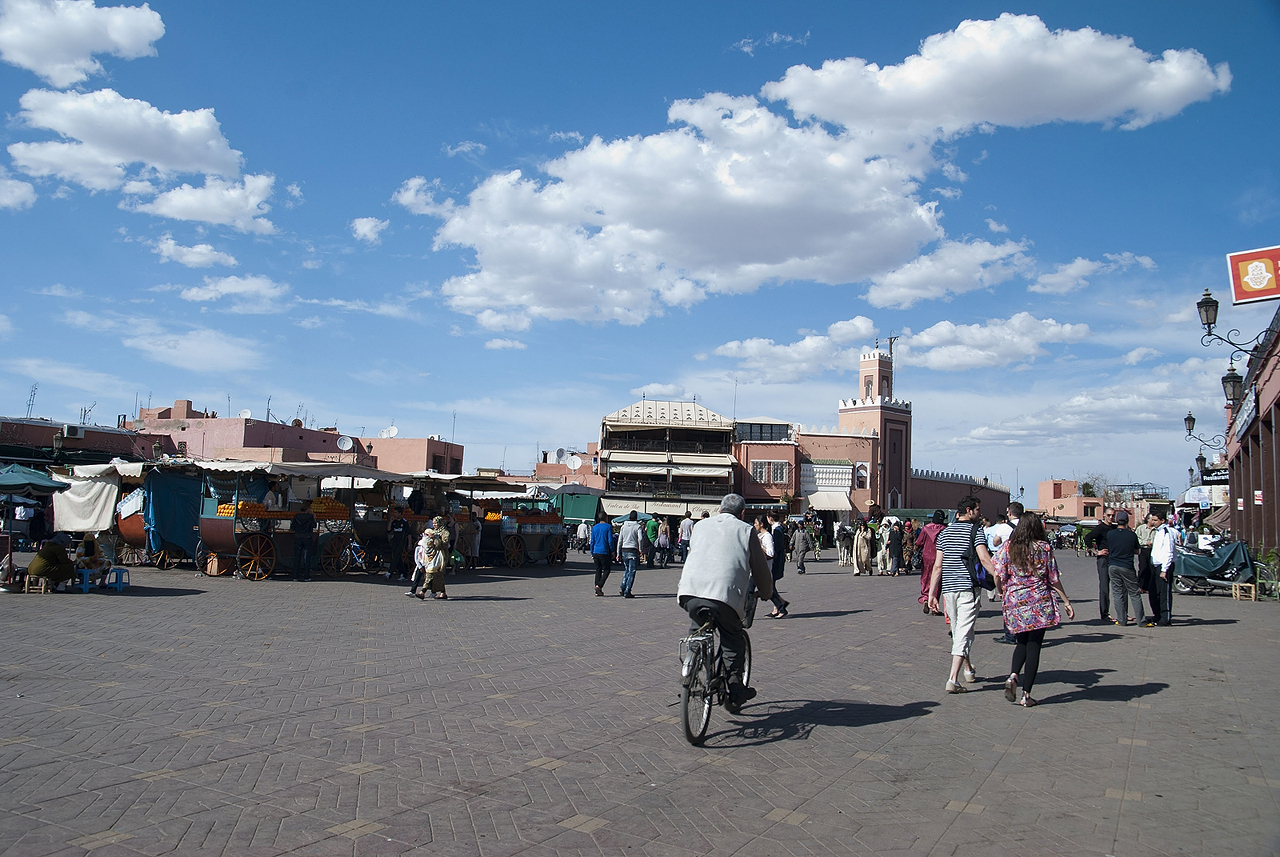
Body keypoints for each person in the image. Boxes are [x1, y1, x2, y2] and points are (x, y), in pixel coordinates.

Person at [676, 494, 774, 709]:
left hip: (689, 592)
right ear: (742, 514)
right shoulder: (746, 530)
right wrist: (766, 592)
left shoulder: (700, 526)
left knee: (697, 630)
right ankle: (736, 689)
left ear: (719, 510)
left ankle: (691, 671)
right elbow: (759, 568)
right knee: (732, 639)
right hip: (724, 597)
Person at [992, 513, 1075, 707]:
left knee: (1021, 641)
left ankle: (1013, 675)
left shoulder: (1008, 547)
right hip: (1039, 601)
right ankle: (1026, 694)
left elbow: (998, 574)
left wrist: (1001, 591)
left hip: (1016, 601)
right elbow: (1053, 578)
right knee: (1035, 645)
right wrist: (1066, 601)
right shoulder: (1044, 548)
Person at [928, 497, 996, 694]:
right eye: (977, 510)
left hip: (949, 589)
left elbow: (938, 566)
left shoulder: (945, 533)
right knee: (964, 632)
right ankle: (952, 679)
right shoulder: (976, 531)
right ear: (969, 510)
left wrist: (932, 594)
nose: (980, 513)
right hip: (968, 587)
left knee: (960, 631)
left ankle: (968, 669)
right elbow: (984, 558)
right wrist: (1000, 577)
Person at [1106, 510, 1144, 625]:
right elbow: (1137, 551)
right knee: (1134, 593)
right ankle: (1141, 621)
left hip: (1113, 565)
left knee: (1117, 593)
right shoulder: (1131, 535)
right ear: (1127, 521)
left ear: (1116, 520)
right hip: (1126, 565)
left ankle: (1121, 620)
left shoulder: (1110, 534)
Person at [1085, 509, 1117, 622]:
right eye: (1108, 515)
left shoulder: (1115, 528)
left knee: (1118, 586)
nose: (1111, 517)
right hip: (1103, 559)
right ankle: (1104, 613)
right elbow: (1087, 538)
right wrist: (1096, 551)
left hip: (1114, 559)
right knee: (1104, 586)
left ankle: (1122, 613)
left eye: (1113, 515)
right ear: (1104, 515)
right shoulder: (1101, 528)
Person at [413, 516, 450, 599]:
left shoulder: (445, 532)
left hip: (440, 556)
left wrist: (435, 539)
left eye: (436, 523)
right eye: (433, 523)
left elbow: (444, 544)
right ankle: (443, 593)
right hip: (432, 556)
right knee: (438, 574)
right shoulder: (433, 531)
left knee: (430, 572)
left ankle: (422, 592)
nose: (435, 525)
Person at [916, 510, 946, 612]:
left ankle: (925, 597)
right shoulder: (944, 530)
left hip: (926, 557)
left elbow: (919, 542)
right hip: (939, 557)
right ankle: (934, 604)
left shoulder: (926, 528)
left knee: (925, 578)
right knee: (937, 580)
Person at [1149, 515, 1177, 626]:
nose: (1153, 522)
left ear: (1162, 520)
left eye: (1155, 520)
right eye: (1152, 520)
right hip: (1156, 566)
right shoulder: (1158, 532)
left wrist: (1164, 569)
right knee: (1154, 592)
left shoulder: (1167, 532)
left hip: (1164, 566)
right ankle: (1157, 615)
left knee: (1164, 593)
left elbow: (1168, 552)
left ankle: (1165, 617)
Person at [763, 514, 789, 618]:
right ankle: (778, 605)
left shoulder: (777, 529)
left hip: (776, 561)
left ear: (770, 518)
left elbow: (777, 547)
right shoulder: (776, 528)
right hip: (776, 560)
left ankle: (779, 606)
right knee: (771, 584)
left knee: (771, 584)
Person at [1135, 512, 1160, 620]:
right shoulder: (1141, 528)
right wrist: (1145, 542)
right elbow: (1136, 539)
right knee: (1143, 568)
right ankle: (1140, 586)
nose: (1153, 521)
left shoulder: (1156, 530)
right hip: (1143, 549)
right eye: (1151, 519)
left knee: (1151, 569)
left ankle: (1149, 586)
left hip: (1153, 550)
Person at [616, 511, 643, 598]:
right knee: (632, 571)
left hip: (624, 549)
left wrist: (618, 553)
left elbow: (620, 540)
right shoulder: (637, 526)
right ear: (636, 518)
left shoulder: (624, 526)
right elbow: (641, 538)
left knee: (627, 569)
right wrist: (640, 549)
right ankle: (627, 590)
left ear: (629, 517)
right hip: (633, 549)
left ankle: (623, 586)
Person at [590, 510, 615, 596]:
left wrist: (591, 552)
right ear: (606, 518)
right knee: (607, 570)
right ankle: (599, 585)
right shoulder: (608, 527)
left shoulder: (595, 527)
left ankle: (598, 590)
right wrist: (612, 551)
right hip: (604, 551)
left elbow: (592, 540)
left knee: (598, 570)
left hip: (596, 551)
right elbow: (610, 540)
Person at [291, 500, 316, 582]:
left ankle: (295, 576)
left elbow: (292, 527)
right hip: (307, 538)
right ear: (308, 509)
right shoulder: (310, 517)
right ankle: (306, 576)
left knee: (297, 557)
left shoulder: (296, 516)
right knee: (306, 557)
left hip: (298, 537)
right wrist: (314, 517)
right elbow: (314, 526)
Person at [385, 506, 411, 582]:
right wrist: (390, 521)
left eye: (396, 513)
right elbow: (389, 530)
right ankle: (403, 574)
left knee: (396, 556)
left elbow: (409, 534)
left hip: (401, 542)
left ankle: (389, 572)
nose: (395, 514)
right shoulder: (394, 522)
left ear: (400, 513)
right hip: (394, 541)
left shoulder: (404, 522)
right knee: (398, 557)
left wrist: (409, 544)